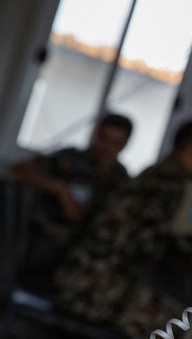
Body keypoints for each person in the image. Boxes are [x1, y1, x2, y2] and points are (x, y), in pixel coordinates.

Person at [55, 120, 192, 339]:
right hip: (90, 285)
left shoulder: (157, 174)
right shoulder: (174, 186)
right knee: (175, 327)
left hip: (80, 276)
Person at [10, 112, 132, 291]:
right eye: (104, 139)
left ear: (124, 145)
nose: (107, 147)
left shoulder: (121, 178)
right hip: (50, 248)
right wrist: (61, 191)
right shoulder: (71, 160)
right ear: (96, 135)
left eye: (116, 143)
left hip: (88, 254)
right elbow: (20, 170)